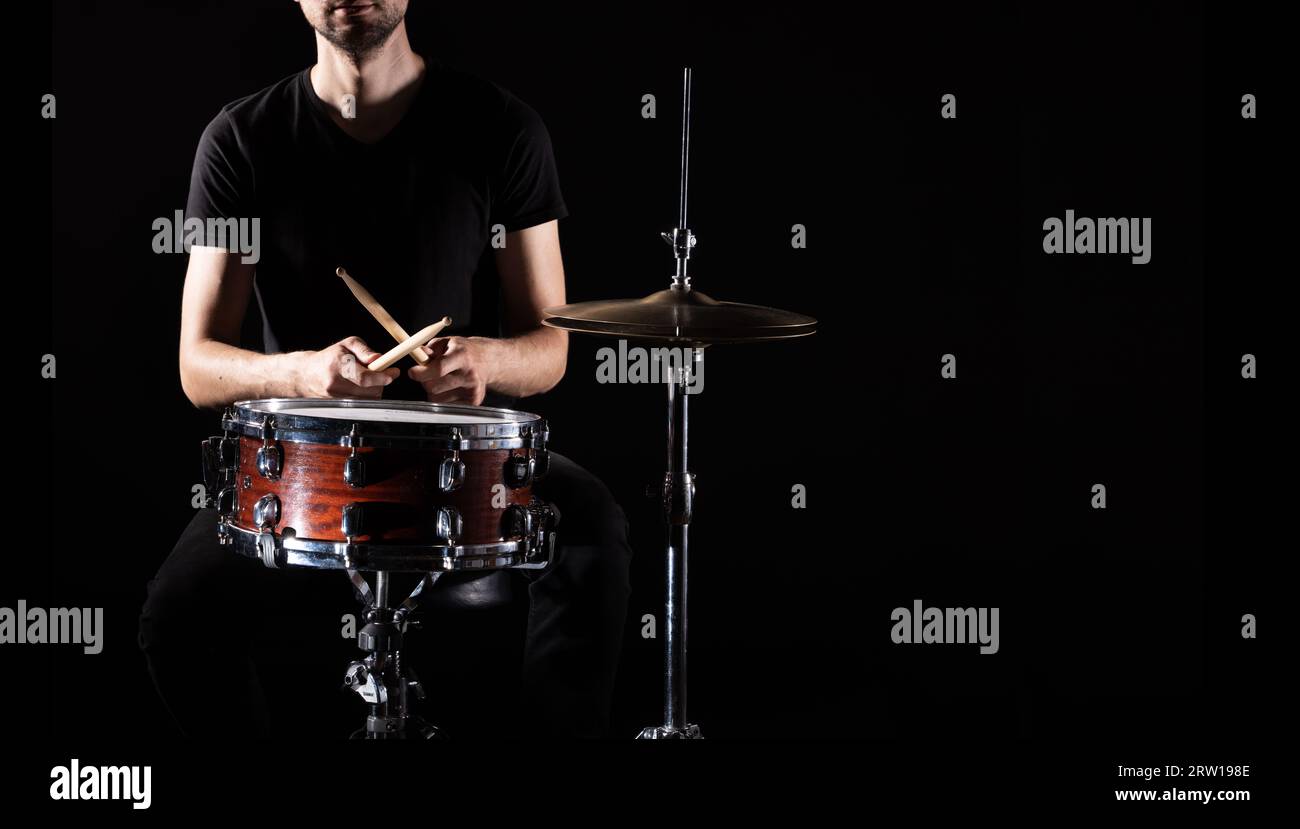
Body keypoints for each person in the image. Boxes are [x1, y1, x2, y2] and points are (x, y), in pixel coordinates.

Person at [138, 0, 632, 738]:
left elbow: (551, 346)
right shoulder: (240, 139)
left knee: (592, 528)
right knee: (176, 615)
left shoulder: (503, 128)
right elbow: (197, 364)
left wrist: (487, 359)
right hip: (295, 469)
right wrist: (303, 375)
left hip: (463, 463)